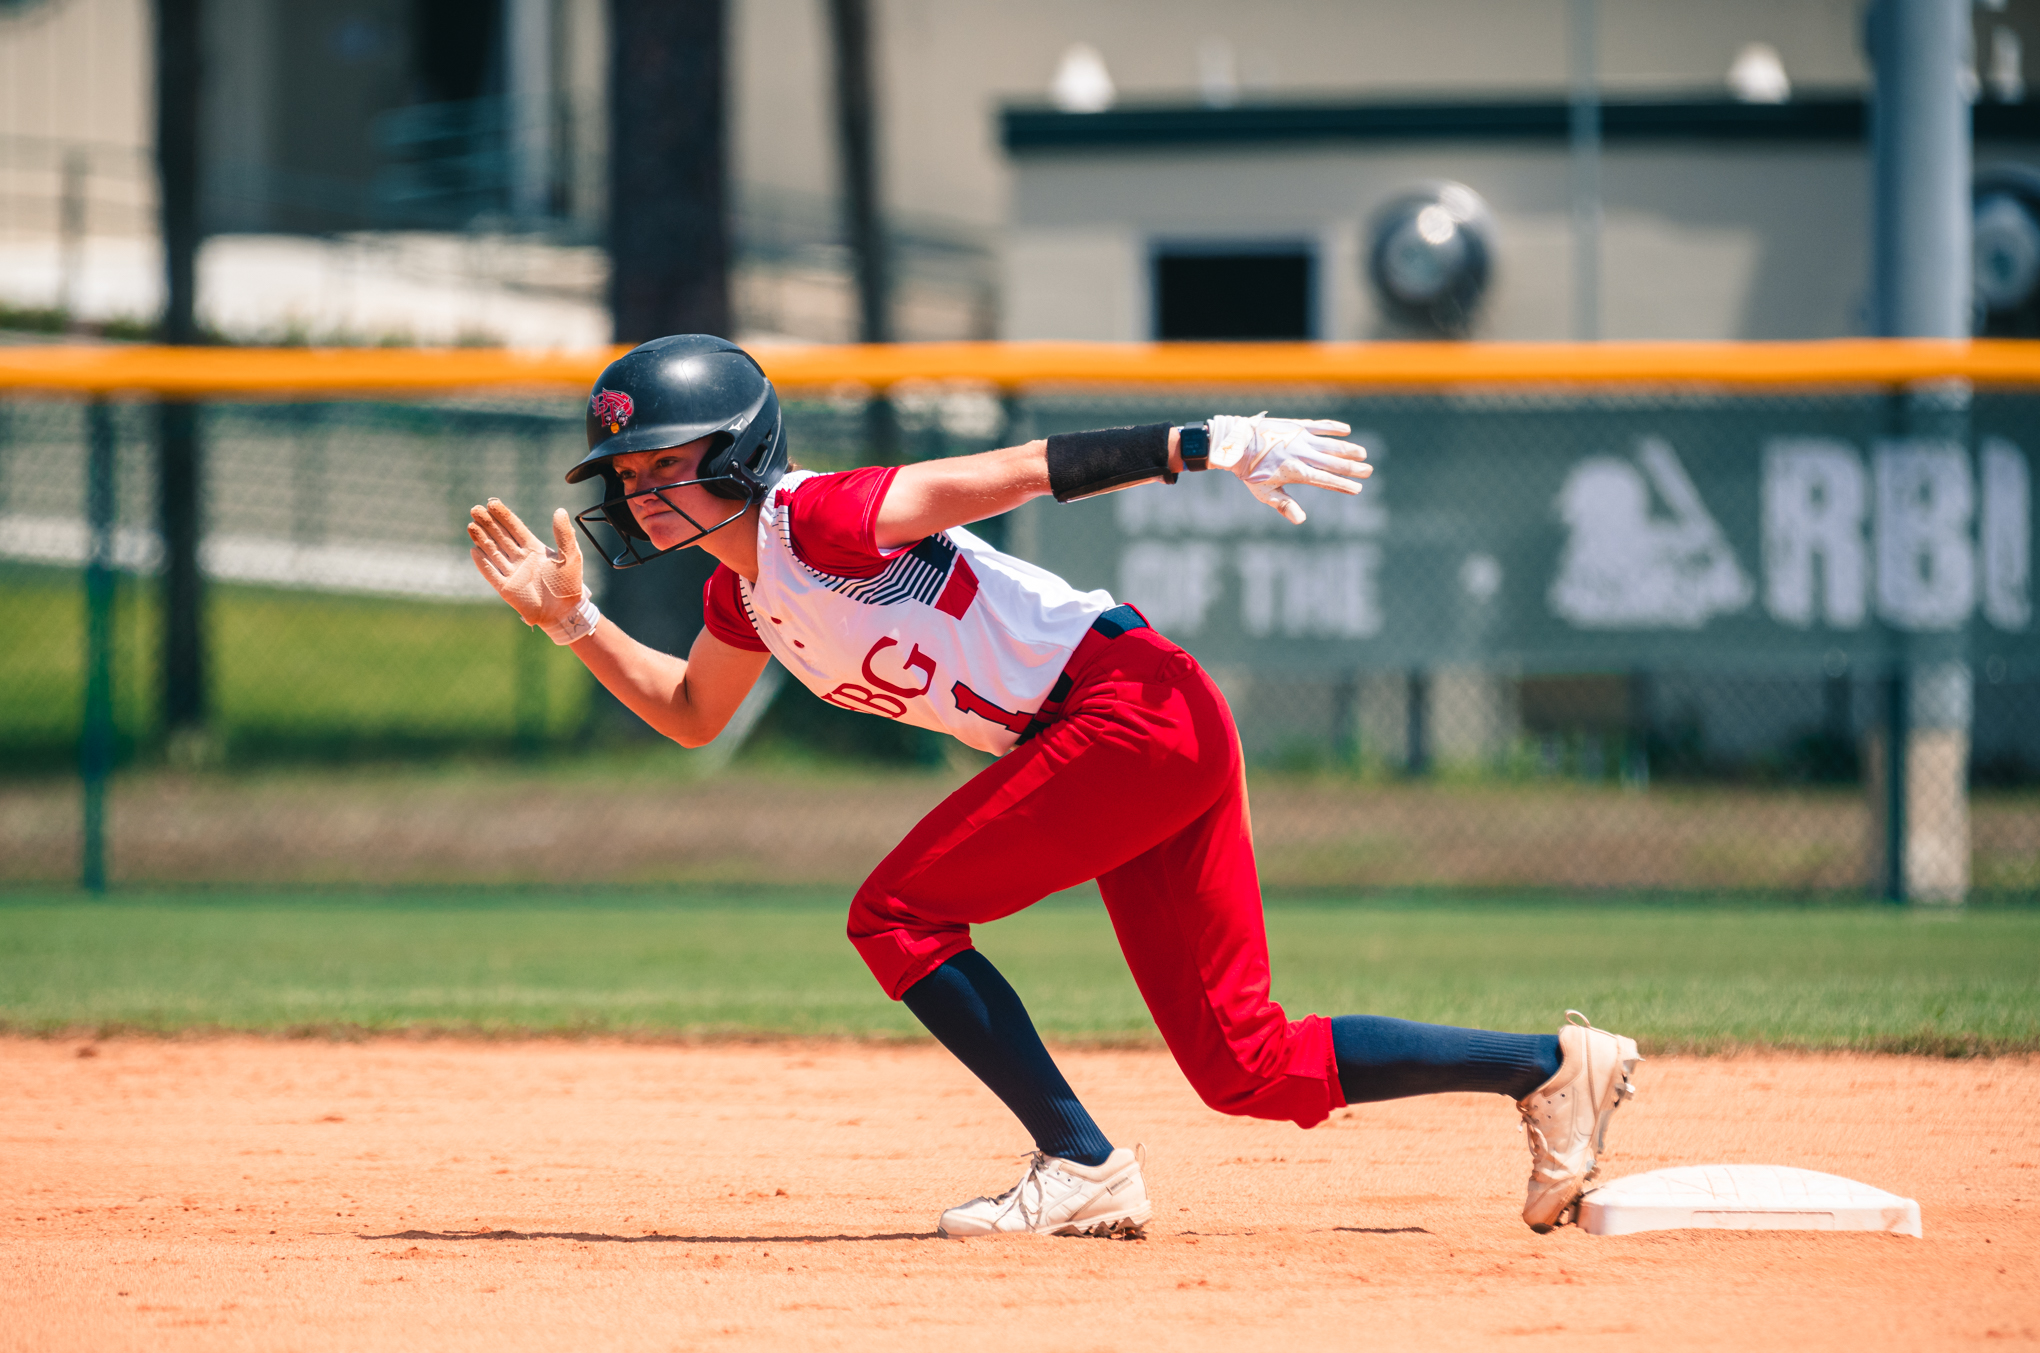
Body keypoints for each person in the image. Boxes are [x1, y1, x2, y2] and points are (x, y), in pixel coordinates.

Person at [466, 335, 1640, 1239]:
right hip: (1125, 730)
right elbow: (690, 713)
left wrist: (1209, 440)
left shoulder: (818, 519)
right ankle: (1547, 1066)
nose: (637, 491)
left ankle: (1079, 1165)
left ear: (738, 454)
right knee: (1247, 1065)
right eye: (627, 471)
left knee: (896, 911)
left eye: (664, 463)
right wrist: (575, 622)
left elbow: (1016, 471)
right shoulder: (745, 594)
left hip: (1124, 708)